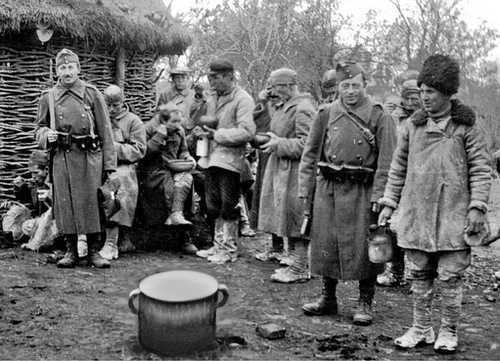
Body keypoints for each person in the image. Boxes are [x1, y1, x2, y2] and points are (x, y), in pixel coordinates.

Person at [378, 54, 491, 353]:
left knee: (451, 276)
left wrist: (477, 206)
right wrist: (390, 203)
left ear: (447, 93)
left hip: (453, 213)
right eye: (422, 91)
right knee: (418, 272)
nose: (424, 98)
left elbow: (481, 168)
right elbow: (398, 167)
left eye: (430, 92)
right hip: (417, 212)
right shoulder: (411, 128)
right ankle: (421, 327)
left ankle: (449, 331)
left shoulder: (466, 127)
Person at [298, 61, 396, 325]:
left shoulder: (379, 116)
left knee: (364, 247)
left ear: (365, 85)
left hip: (362, 190)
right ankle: (328, 298)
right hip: (328, 189)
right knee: (325, 244)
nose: (350, 91)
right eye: (345, 86)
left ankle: (365, 301)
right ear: (338, 87)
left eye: (355, 85)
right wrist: (305, 190)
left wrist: (380, 197)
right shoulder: (326, 113)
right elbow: (309, 154)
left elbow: (387, 161)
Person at [36, 48, 116, 269]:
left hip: (90, 157)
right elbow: (39, 128)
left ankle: (93, 252)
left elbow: (106, 132)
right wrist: (46, 135)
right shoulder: (48, 97)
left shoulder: (92, 93)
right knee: (66, 204)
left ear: (78, 69)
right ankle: (71, 251)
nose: (67, 71)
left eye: (71, 67)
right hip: (62, 157)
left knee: (92, 203)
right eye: (63, 67)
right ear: (57, 71)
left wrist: (109, 166)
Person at [195, 59, 256, 264]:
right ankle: (218, 245)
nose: (211, 81)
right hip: (211, 157)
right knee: (213, 204)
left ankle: (229, 249)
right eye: (210, 77)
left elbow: (247, 131)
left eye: (216, 77)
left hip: (230, 159)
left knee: (228, 203)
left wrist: (218, 135)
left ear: (230, 76)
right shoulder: (213, 98)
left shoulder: (243, 99)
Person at [257, 68, 315, 283]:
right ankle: (294, 262)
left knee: (297, 216)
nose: (272, 91)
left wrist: (279, 143)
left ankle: (301, 268)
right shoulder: (286, 105)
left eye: (276, 87)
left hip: (298, 171)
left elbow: (309, 144)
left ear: (289, 86)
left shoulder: (303, 108)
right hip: (283, 169)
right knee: (287, 215)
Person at [377, 77, 422, 287]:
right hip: (396, 178)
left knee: (416, 228)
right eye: (408, 98)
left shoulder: (426, 119)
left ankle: (417, 275)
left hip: (419, 180)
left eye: (416, 97)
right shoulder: (393, 118)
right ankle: (395, 271)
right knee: (394, 228)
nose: (412, 102)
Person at [140, 103, 198, 254]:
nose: (178, 125)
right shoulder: (148, 129)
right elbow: (143, 154)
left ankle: (184, 233)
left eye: (180, 121)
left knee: (186, 180)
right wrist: (159, 136)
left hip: (174, 168)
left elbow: (183, 151)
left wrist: (189, 158)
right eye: (174, 122)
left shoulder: (180, 131)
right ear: (163, 121)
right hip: (154, 172)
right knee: (169, 184)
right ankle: (171, 233)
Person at [98, 85, 146, 260]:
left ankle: (111, 243)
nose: (111, 110)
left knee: (119, 184)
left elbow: (140, 150)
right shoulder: (99, 119)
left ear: (123, 101)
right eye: (108, 105)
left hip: (124, 165)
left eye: (115, 105)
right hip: (99, 164)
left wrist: (112, 148)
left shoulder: (133, 121)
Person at [2, 150, 57, 250]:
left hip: (53, 222)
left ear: (47, 170)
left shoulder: (55, 182)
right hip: (38, 221)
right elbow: (27, 202)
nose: (33, 176)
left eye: (36, 173)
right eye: (31, 173)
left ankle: (40, 241)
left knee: (31, 226)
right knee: (22, 220)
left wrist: (49, 197)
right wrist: (19, 189)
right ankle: (9, 236)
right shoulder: (35, 184)